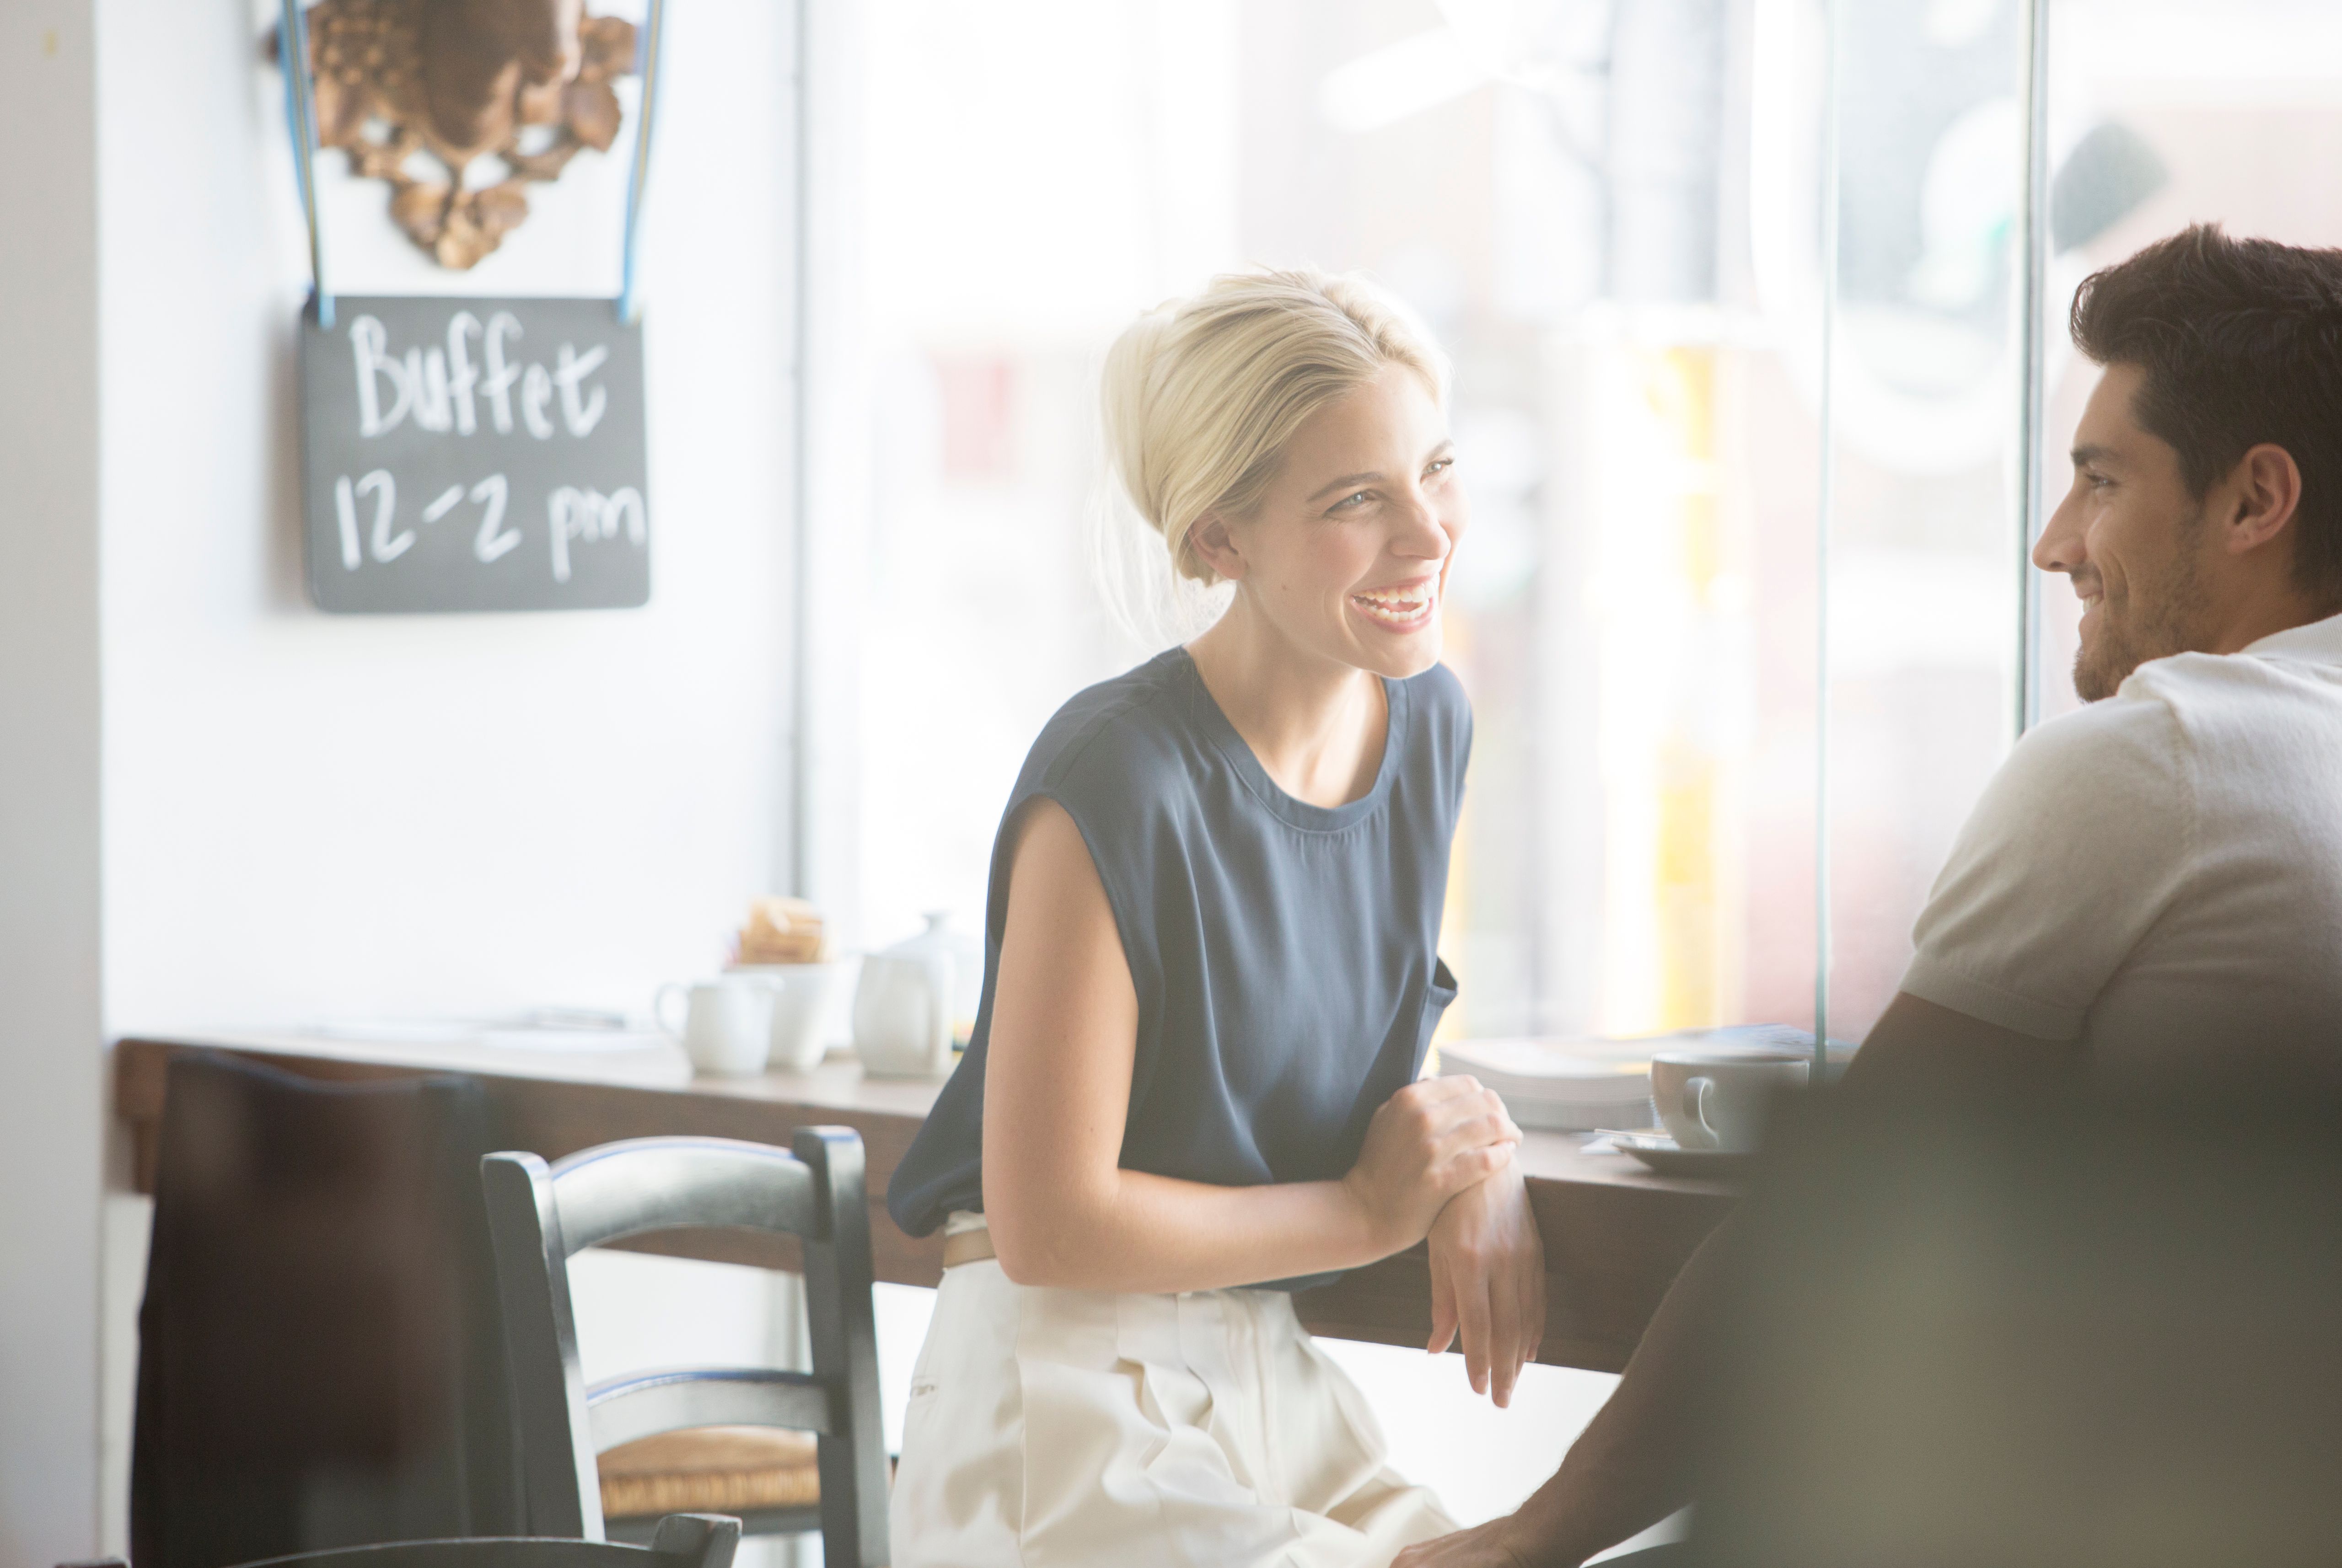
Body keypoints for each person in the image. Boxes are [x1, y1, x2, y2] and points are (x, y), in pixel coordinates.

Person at [1395, 223, 2342, 1568]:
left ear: (2255, 502)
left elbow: (1832, 1245)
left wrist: (1532, 1541)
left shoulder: (2164, 754)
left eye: (2100, 481)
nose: (2053, 543)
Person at [883, 268, 1547, 1568]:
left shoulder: (1428, 728)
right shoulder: (1118, 779)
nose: (1429, 535)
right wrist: (1370, 1215)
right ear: (1216, 542)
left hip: (1266, 1376)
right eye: (1357, 500)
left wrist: (1481, 1159)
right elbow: (1049, 1222)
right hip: (1059, 1396)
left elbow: (1351, 1046)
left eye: (1437, 470)